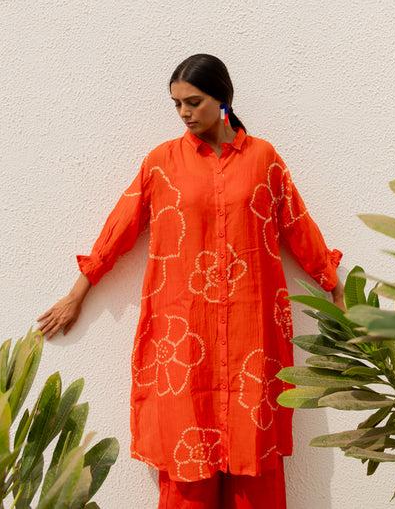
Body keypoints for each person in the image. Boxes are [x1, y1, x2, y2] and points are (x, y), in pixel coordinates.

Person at [36, 53, 345, 508]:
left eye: (193, 102)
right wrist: (76, 293)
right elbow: (118, 229)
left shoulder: (263, 159)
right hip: (185, 341)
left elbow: (297, 225)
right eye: (176, 103)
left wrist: (336, 291)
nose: (183, 113)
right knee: (187, 478)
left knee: (253, 473)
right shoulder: (162, 163)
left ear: (223, 100)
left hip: (250, 338)